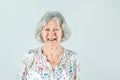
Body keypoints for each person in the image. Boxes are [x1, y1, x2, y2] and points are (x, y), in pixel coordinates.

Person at [18, 11, 80, 80]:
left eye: (56, 29)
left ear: (63, 32)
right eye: (47, 29)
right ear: (41, 33)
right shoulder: (30, 56)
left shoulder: (72, 58)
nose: (51, 34)